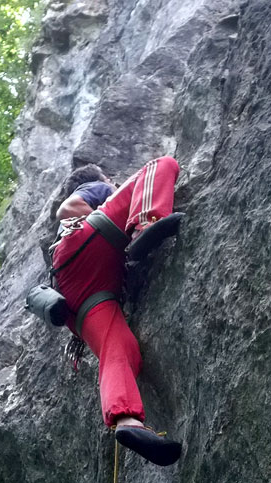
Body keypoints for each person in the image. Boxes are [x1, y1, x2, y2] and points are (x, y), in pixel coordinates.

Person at [51, 156, 183, 466]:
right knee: (162, 165)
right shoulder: (96, 187)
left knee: (119, 349)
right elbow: (66, 209)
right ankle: (145, 223)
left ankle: (127, 421)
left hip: (76, 294)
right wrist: (106, 197)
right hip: (88, 242)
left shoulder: (60, 237)